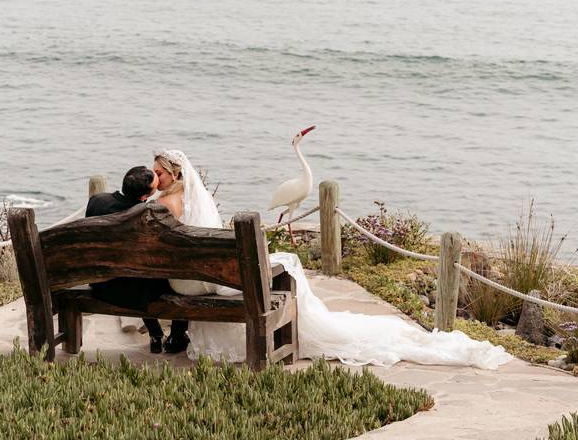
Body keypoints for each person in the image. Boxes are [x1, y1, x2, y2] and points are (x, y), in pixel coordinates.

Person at [152, 148, 514, 370]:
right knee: (289, 263)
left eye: (158, 174)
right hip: (201, 279)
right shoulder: (185, 202)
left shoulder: (159, 206)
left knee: (281, 261)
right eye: (153, 175)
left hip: (181, 279)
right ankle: (292, 330)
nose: (154, 180)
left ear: (175, 175)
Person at [86, 165, 187, 354]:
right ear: (144, 197)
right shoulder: (143, 213)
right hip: (132, 290)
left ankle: (155, 333)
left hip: (100, 284)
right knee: (178, 282)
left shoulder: (96, 201)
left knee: (136, 274)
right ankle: (177, 336)